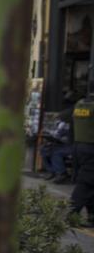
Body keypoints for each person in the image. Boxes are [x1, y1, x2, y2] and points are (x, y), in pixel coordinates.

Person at [71, 93, 94, 227]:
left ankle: (92, 216)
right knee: (85, 184)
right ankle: (71, 213)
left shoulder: (80, 104)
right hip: (91, 148)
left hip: (79, 146)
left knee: (90, 183)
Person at [40, 111, 73, 183]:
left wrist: (54, 136)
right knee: (44, 149)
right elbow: (56, 133)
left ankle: (62, 174)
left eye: (61, 118)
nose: (59, 119)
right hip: (60, 144)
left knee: (56, 153)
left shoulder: (69, 125)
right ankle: (52, 171)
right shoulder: (60, 123)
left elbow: (63, 137)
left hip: (70, 146)